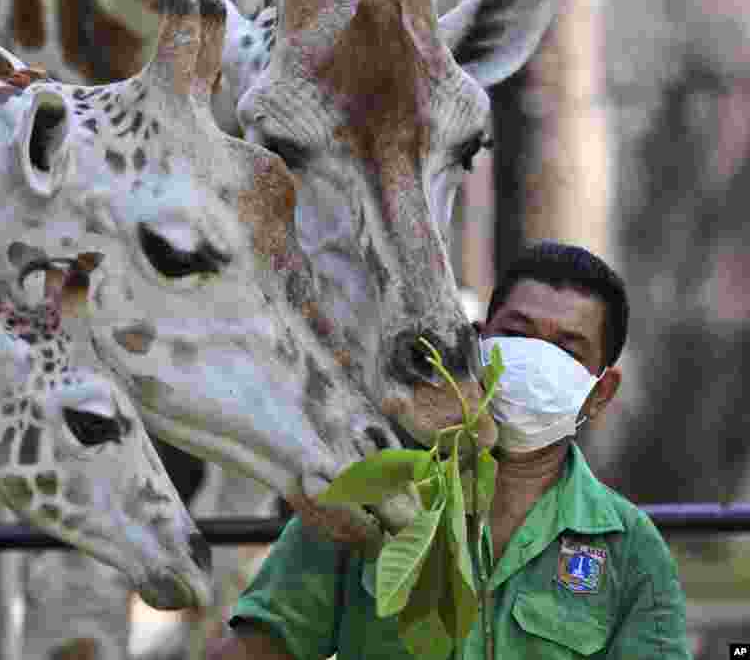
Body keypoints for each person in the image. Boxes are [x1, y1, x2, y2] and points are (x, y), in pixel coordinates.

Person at [208, 242, 691, 659]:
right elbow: (261, 647)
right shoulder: (373, 493)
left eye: (568, 349)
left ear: (600, 391)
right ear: (476, 345)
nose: (537, 360)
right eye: (518, 335)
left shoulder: (630, 549)